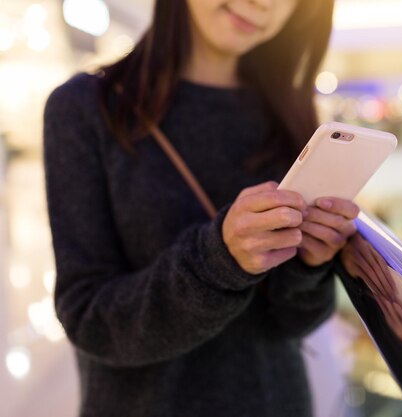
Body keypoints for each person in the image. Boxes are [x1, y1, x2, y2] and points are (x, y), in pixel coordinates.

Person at [43, 1, 359, 416]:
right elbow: (89, 319)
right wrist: (218, 260)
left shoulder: (289, 114)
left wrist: (309, 266)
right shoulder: (86, 108)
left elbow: (293, 323)